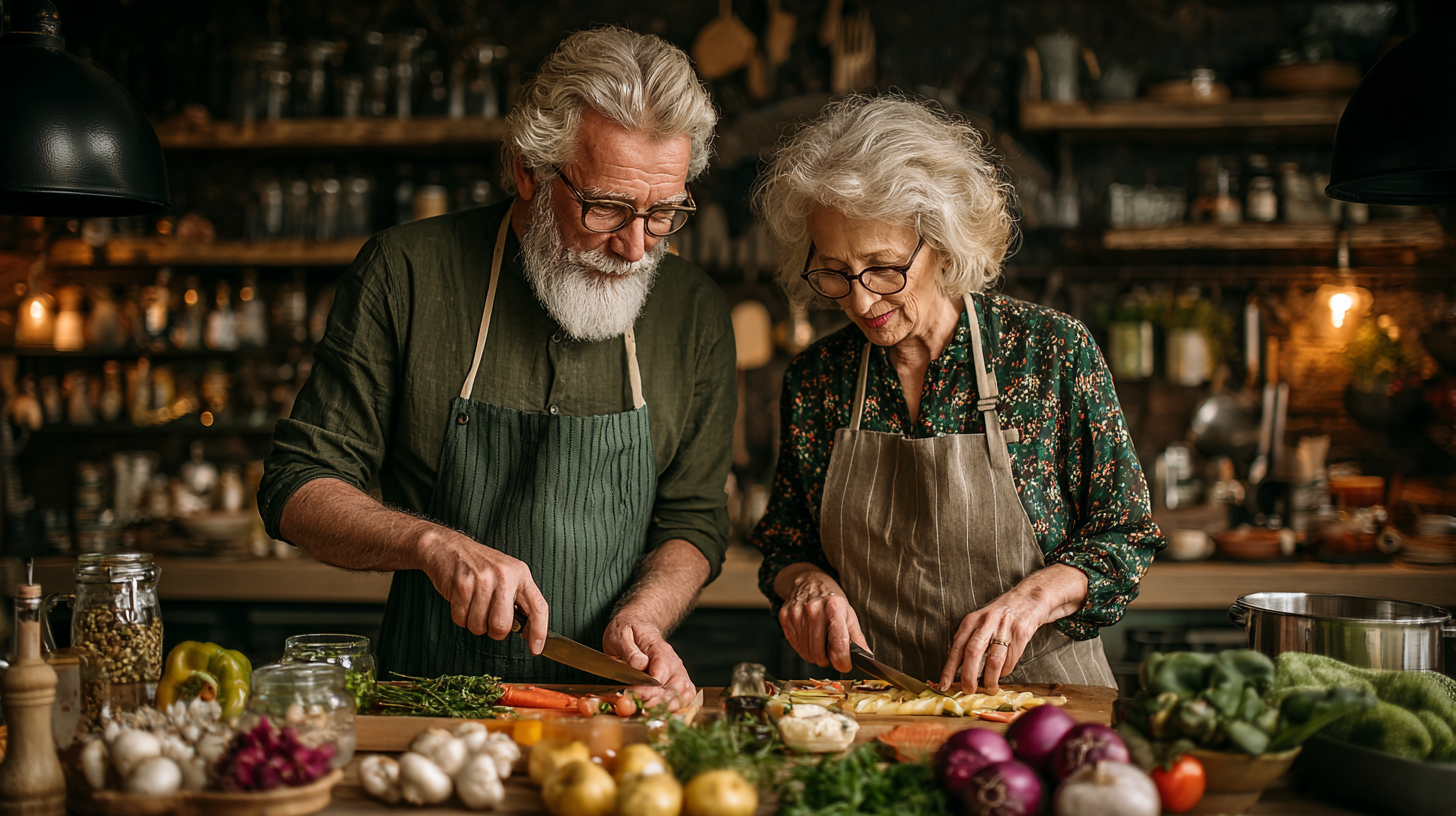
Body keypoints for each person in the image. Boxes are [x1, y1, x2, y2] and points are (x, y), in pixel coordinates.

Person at [258, 27, 734, 706]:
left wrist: (646, 614)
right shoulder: (407, 272)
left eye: (663, 212)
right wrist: (430, 543)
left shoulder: (694, 312)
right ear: (527, 171)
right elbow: (297, 485)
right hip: (429, 707)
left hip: (615, 710)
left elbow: (695, 520)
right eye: (607, 207)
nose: (635, 246)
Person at [749, 95, 1164, 692]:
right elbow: (785, 544)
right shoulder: (817, 379)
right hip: (878, 701)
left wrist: (1033, 599)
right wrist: (808, 584)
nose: (861, 302)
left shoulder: (1049, 351)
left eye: (884, 267)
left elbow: (1125, 533)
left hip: (1040, 701)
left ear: (943, 245)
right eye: (835, 271)